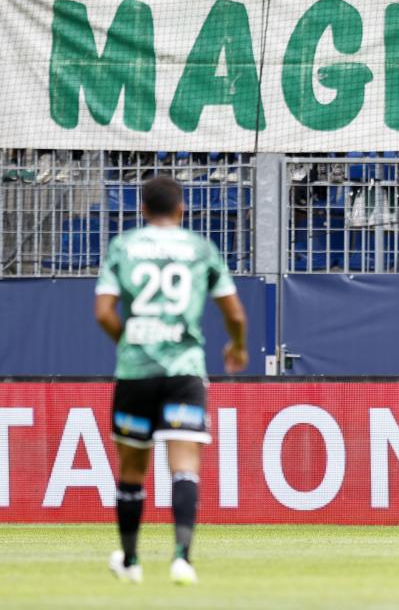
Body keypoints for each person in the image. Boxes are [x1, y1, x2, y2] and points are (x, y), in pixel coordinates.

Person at [94, 176, 248, 585]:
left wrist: (131, 341)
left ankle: (130, 562)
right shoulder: (200, 249)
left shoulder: (123, 247)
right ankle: (182, 558)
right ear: (181, 209)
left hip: (136, 372)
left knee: (132, 469)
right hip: (184, 370)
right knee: (184, 466)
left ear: (142, 210)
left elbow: (104, 312)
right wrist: (237, 346)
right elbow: (234, 314)